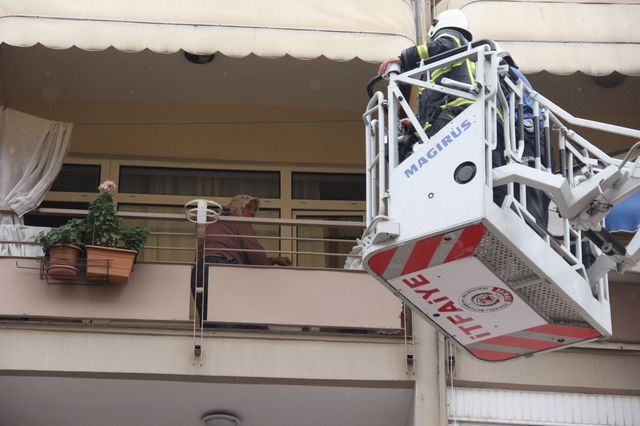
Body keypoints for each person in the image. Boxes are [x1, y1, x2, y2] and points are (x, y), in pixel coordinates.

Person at [191, 194, 290, 320]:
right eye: (248, 208)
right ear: (238, 207)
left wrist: (272, 260)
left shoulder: (212, 222)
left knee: (211, 322)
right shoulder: (239, 221)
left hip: (199, 271)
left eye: (254, 210)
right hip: (224, 267)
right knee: (234, 322)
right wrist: (269, 272)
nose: (252, 213)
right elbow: (255, 253)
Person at [378, 9, 474, 138]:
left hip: (455, 113)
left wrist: (404, 58)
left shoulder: (452, 35)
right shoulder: (446, 65)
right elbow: (432, 102)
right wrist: (415, 122)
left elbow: (444, 45)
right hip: (453, 116)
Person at [493, 50, 551, 229]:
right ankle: (537, 229)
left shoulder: (506, 73)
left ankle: (530, 228)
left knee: (528, 190)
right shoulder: (518, 76)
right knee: (537, 192)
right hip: (536, 138)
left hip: (525, 136)